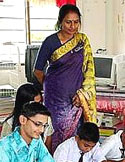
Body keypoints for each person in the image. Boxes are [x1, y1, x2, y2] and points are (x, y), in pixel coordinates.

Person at [34, 4, 97, 153]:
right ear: (60, 21)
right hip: (55, 99)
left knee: (75, 131)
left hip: (76, 97)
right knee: (54, 131)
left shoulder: (82, 40)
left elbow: (88, 68)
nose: (72, 26)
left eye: (76, 22)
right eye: (68, 22)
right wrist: (51, 87)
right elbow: (37, 70)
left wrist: (83, 94)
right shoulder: (50, 42)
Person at [0, 83, 54, 152]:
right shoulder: (9, 124)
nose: (38, 108)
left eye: (40, 103)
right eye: (34, 104)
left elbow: (48, 148)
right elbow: (4, 152)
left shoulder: (46, 120)